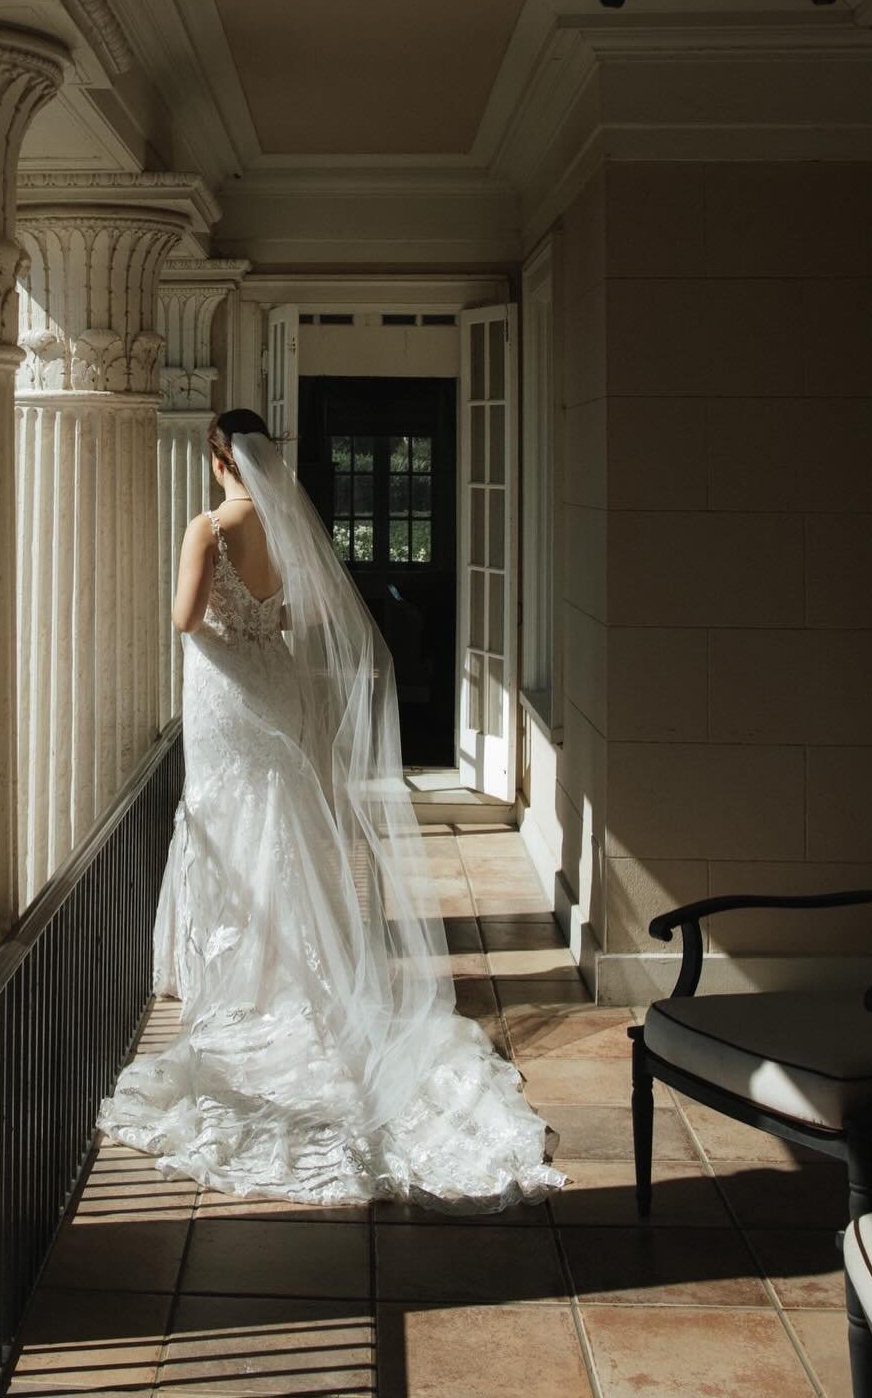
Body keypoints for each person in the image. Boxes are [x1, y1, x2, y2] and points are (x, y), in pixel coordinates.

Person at [96, 407, 564, 1209]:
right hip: (272, 685)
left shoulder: (206, 527)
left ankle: (239, 981)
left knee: (225, 819)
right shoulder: (282, 527)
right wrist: (256, 622)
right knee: (279, 819)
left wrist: (217, 614)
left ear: (218, 459)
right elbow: (296, 616)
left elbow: (182, 619)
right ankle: (291, 968)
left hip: (222, 691)